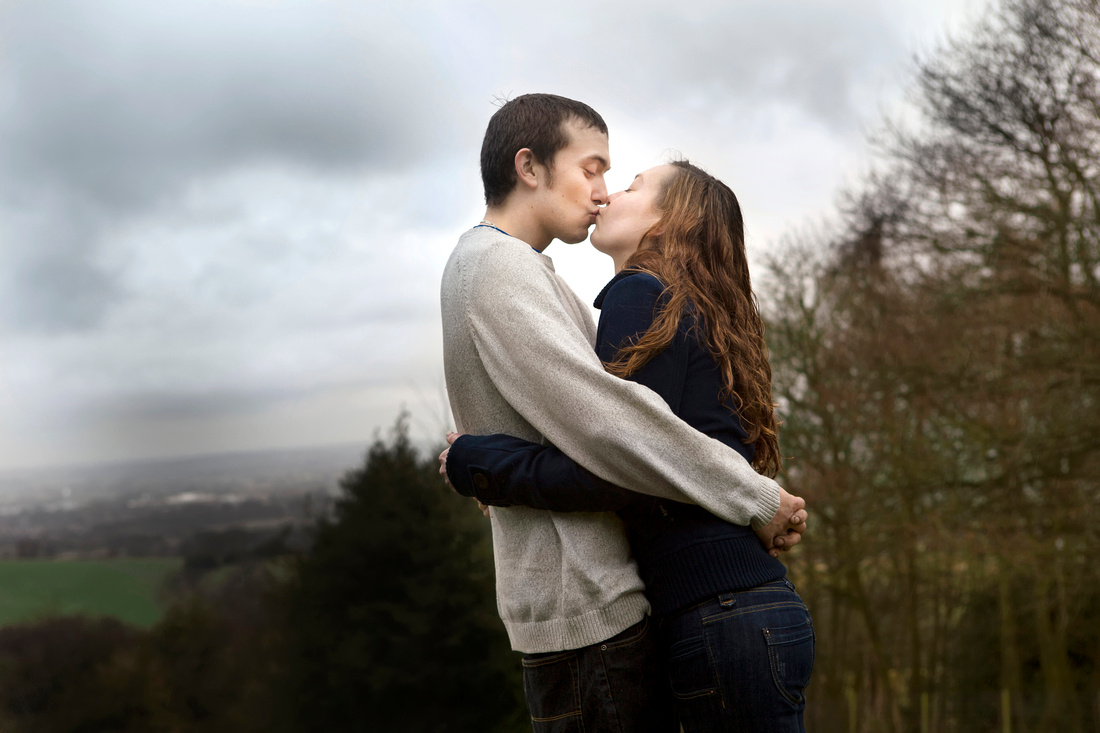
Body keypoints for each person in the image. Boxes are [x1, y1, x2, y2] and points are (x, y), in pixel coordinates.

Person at [440, 94, 807, 732]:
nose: (603, 192)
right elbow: (613, 431)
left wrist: (480, 464)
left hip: (623, 606)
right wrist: (753, 495)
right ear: (529, 168)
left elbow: (617, 432)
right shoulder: (497, 267)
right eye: (592, 169)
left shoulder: (589, 286)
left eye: (618, 179)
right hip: (586, 605)